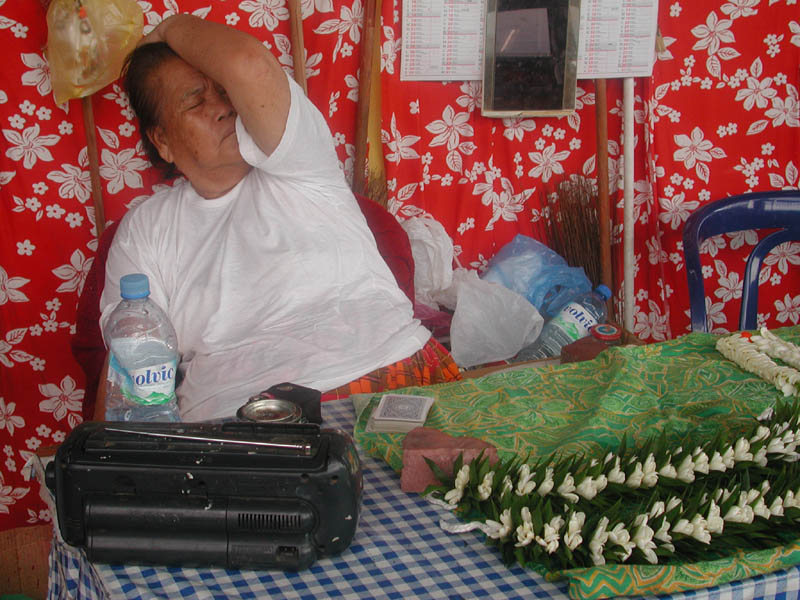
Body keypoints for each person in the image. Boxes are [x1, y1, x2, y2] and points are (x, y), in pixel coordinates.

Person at [97, 15, 460, 422]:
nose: (223, 108)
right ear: (161, 140)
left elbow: (247, 65)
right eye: (195, 101)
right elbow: (131, 363)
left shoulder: (297, 163)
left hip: (382, 370)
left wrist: (169, 27)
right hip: (237, 418)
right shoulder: (144, 231)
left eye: (223, 92)